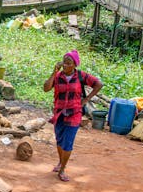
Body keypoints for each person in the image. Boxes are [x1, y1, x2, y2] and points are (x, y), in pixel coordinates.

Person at [43, 49, 103, 182]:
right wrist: (54, 72)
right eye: (64, 62)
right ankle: (60, 162)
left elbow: (99, 84)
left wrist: (86, 100)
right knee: (59, 140)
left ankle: (63, 169)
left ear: (75, 64)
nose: (65, 65)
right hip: (59, 113)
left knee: (68, 143)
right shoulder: (58, 76)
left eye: (68, 63)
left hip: (74, 113)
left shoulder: (81, 76)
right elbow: (46, 88)